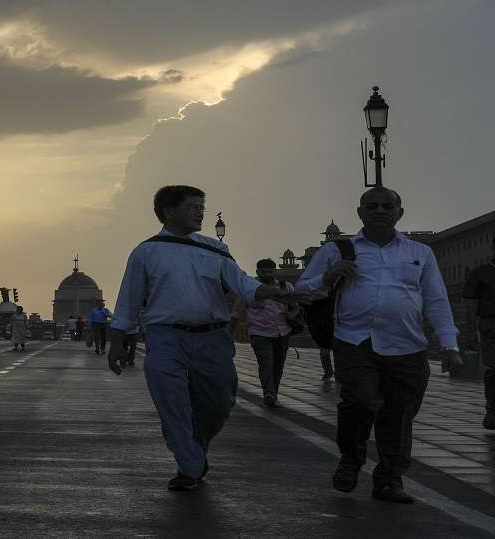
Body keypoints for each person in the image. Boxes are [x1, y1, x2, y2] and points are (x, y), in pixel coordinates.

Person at [108, 185, 307, 492]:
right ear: (168, 211)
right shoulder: (146, 252)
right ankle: (190, 465)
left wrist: (277, 292)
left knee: (219, 403)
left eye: (202, 207)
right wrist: (118, 343)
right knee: (172, 403)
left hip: (212, 339)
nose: (200, 212)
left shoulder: (215, 250)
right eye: (192, 207)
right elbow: (128, 301)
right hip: (165, 339)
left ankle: (194, 446)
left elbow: (244, 284)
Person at [296, 187, 462, 503]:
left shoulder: (419, 253)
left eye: (388, 206)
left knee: (398, 416)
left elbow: (436, 300)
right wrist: (328, 277)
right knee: (360, 401)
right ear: (360, 213)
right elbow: (303, 290)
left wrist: (449, 344)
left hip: (407, 345)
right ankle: (351, 457)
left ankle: (389, 479)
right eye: (372, 206)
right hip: (355, 340)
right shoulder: (338, 251)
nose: (380, 210)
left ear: (399, 213)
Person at [230, 258, 293, 408]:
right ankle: (269, 393)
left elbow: (295, 305)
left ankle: (273, 393)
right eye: (264, 272)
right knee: (266, 363)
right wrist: (228, 334)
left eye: (270, 271)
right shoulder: (250, 289)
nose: (267, 274)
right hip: (259, 332)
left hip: (282, 331)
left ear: (275, 271)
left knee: (278, 364)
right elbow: (236, 312)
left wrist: (293, 313)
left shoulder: (286, 287)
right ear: (258, 272)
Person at [462, 238, 495, 430]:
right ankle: (492, 409)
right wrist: (471, 331)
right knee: (494, 369)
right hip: (491, 324)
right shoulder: (480, 274)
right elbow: (471, 305)